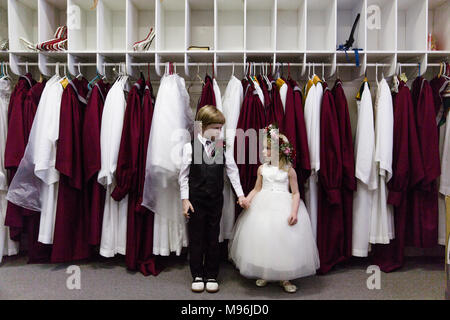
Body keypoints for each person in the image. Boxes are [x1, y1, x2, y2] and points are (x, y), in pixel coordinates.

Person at [229, 124, 320, 293]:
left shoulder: (289, 170)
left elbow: (296, 193)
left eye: (268, 149)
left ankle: (284, 277)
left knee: (283, 242)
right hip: (262, 206)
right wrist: (247, 200)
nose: (264, 152)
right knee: (264, 239)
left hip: (283, 207)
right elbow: (257, 189)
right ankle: (265, 272)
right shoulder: (262, 169)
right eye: (264, 148)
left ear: (279, 150)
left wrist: (294, 211)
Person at [179, 105, 247, 293]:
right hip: (196, 201)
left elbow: (232, 171)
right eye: (216, 128)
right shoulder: (189, 147)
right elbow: (183, 176)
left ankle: (211, 274)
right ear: (202, 127)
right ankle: (197, 274)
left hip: (215, 200)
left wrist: (240, 194)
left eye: (220, 128)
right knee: (196, 237)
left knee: (212, 236)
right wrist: (185, 200)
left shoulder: (221, 146)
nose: (219, 131)